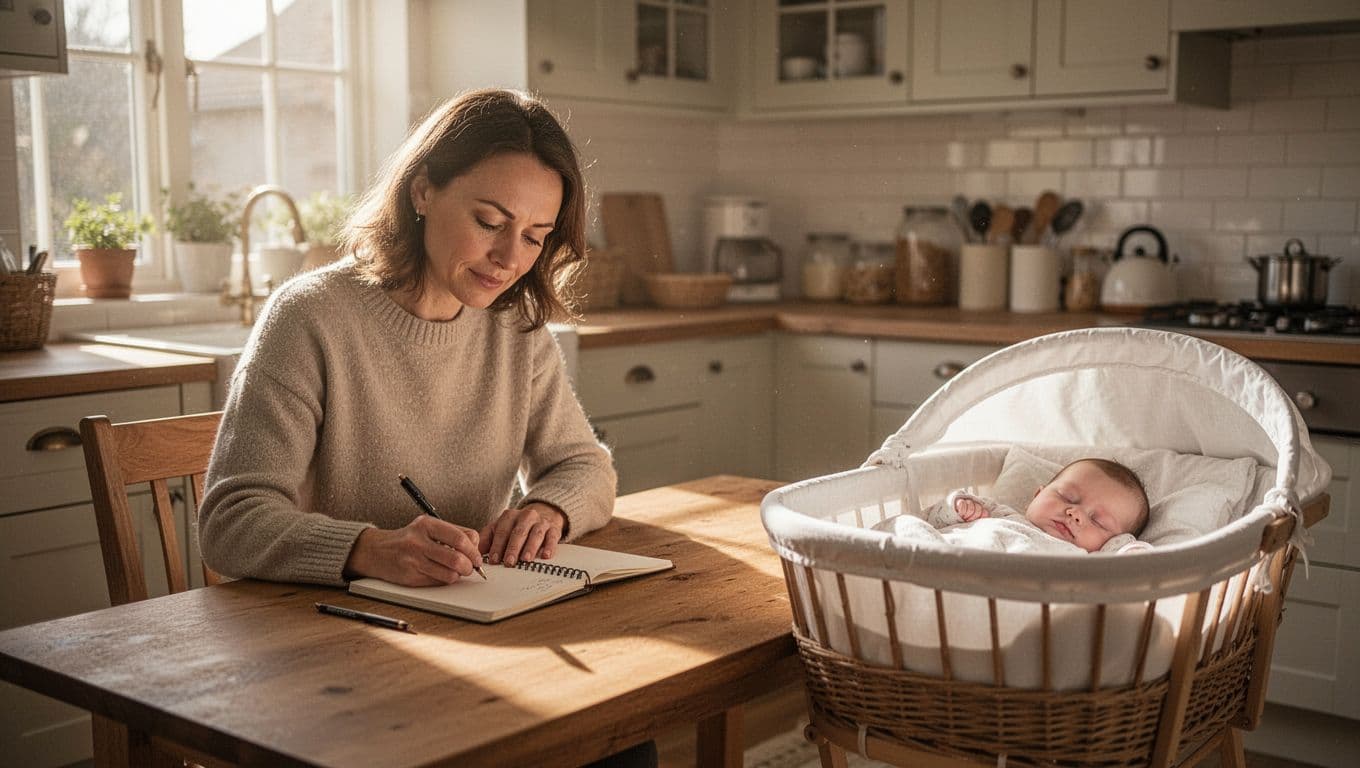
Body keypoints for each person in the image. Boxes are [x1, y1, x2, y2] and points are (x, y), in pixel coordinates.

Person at [878, 458, 1151, 554]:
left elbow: (1130, 557)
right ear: (1037, 495)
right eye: (1067, 497)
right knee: (906, 524)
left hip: (991, 595)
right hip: (939, 555)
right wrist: (958, 507)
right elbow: (934, 519)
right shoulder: (998, 512)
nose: (1075, 514)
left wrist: (1134, 553)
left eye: (1098, 522)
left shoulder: (1088, 562)